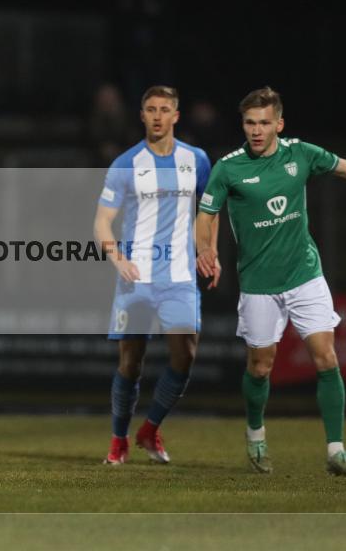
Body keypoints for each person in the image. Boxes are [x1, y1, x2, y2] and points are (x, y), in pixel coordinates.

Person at [195, 86, 346, 476]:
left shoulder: (301, 154)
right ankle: (255, 435)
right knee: (260, 366)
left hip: (305, 275)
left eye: (264, 123)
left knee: (326, 357)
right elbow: (206, 214)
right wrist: (206, 248)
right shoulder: (229, 167)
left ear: (279, 124)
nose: (256, 131)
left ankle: (336, 451)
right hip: (258, 282)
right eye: (249, 123)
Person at [93, 85, 218, 465]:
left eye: (165, 109)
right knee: (131, 361)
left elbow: (208, 211)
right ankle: (119, 440)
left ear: (176, 115)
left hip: (179, 276)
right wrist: (118, 260)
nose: (158, 116)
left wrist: (209, 251)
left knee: (185, 355)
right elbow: (101, 224)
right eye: (151, 109)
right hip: (136, 277)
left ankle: (149, 429)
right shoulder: (126, 164)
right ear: (142, 115)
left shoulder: (196, 160)